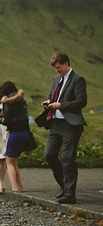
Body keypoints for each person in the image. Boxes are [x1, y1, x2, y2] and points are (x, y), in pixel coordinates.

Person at [41, 52, 87, 204]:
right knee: (49, 154)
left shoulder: (78, 79)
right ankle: (64, 186)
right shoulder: (55, 79)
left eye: (59, 67)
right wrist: (48, 102)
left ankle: (70, 194)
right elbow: (52, 95)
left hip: (71, 125)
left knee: (67, 158)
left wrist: (61, 106)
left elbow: (81, 102)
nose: (57, 71)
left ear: (66, 64)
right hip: (55, 124)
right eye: (55, 68)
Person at [0, 81, 29, 192]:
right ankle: (21, 186)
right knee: (14, 161)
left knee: (9, 162)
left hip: (15, 133)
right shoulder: (22, 100)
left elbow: (7, 121)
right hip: (25, 132)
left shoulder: (7, 102)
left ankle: (15, 187)